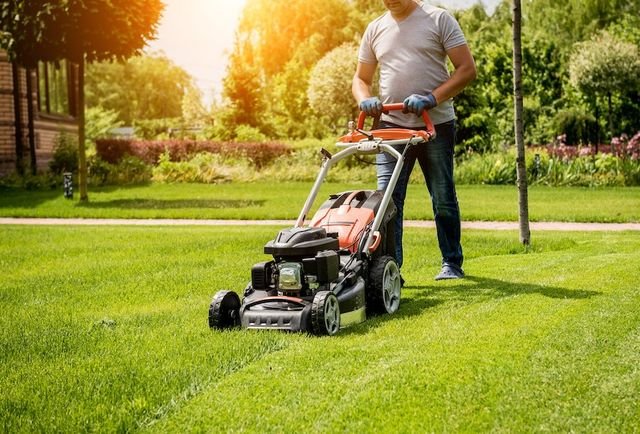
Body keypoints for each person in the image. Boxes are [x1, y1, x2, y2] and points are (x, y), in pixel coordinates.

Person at [352, 0, 476, 280]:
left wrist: (432, 98)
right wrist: (365, 99)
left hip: (436, 125)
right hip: (392, 128)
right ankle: (390, 271)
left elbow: (466, 69)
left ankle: (451, 263)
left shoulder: (438, 19)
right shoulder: (375, 29)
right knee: (386, 203)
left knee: (443, 196)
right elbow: (360, 78)